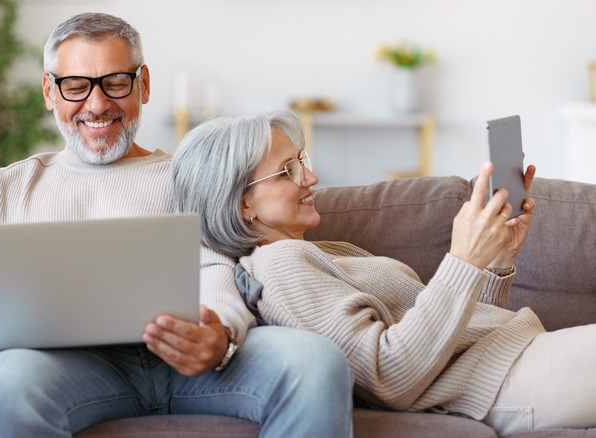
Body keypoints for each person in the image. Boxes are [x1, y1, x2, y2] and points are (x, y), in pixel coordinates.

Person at [0, 13, 354, 438]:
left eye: (115, 83)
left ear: (144, 85)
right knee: (1, 382)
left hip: (193, 361)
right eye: (76, 85)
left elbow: (214, 263)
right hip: (72, 369)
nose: (96, 105)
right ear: (49, 91)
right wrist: (3, 315)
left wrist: (222, 334)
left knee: (315, 363)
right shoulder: (6, 187)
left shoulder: (186, 176)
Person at [171, 108, 596, 436]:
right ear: (241, 203)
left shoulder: (324, 252)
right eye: (290, 170)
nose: (312, 177)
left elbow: (455, 336)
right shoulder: (279, 266)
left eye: (304, 160)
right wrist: (462, 261)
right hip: (505, 382)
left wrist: (497, 258)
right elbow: (389, 376)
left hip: (515, 359)